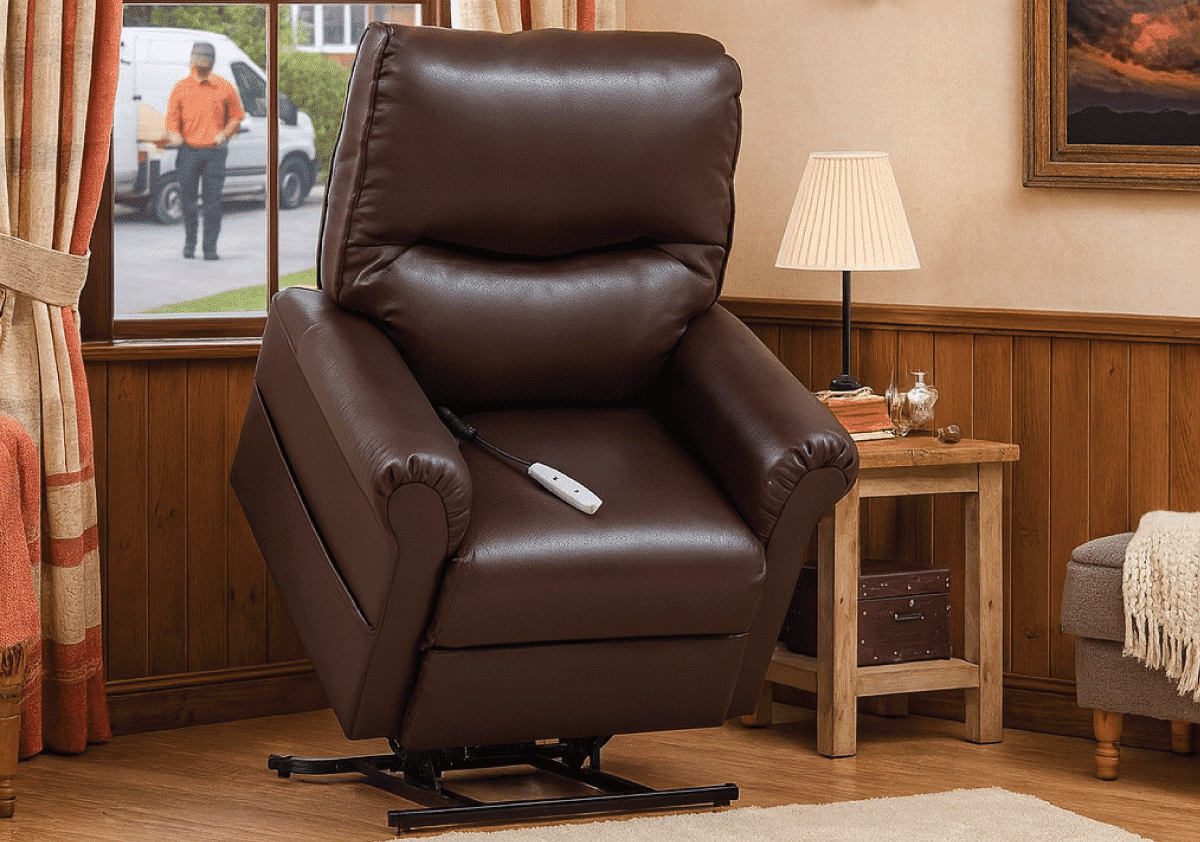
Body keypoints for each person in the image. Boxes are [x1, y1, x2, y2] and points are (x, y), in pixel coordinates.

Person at [164, 41, 245, 261]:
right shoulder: (181, 87)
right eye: (197, 58)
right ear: (192, 60)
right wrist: (174, 133)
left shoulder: (224, 86)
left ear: (211, 62)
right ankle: (190, 245)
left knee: (213, 203)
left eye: (204, 59)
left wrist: (225, 133)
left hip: (215, 153)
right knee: (187, 200)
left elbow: (237, 116)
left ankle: (210, 248)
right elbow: (171, 119)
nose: (199, 63)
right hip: (188, 151)